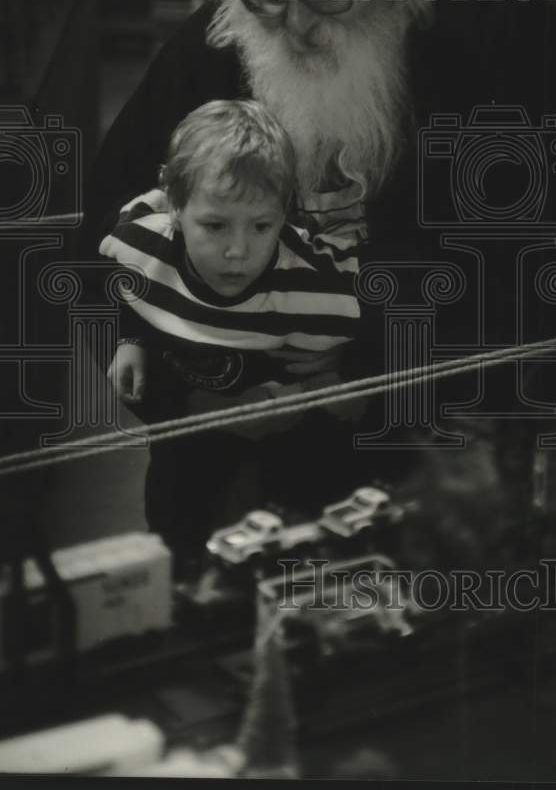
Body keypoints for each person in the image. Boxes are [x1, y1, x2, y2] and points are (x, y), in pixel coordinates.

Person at [82, 0, 556, 533]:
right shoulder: (207, 51)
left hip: (446, 416)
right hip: (245, 442)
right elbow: (105, 241)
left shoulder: (498, 31)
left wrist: (374, 365)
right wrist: (188, 397)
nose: (297, 23)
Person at [99, 98, 365, 561]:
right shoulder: (137, 242)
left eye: (261, 225)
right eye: (216, 225)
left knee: (295, 528)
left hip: (280, 426)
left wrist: (329, 379)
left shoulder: (315, 291)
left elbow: (358, 327)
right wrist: (131, 339)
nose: (238, 251)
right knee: (172, 520)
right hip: (189, 419)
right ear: (176, 209)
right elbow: (125, 286)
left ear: (284, 216)